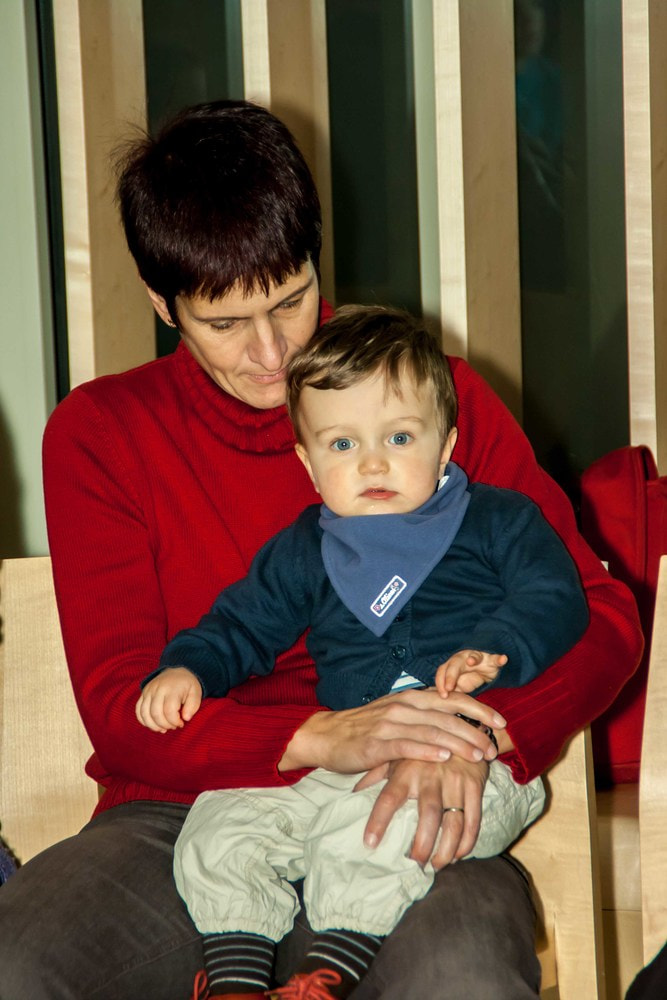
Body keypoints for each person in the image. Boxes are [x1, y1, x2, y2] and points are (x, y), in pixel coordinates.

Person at [0, 99, 642, 1000]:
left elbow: (601, 615)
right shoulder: (101, 434)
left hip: (416, 787)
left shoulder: (433, 401)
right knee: (17, 959)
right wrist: (314, 736)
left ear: (314, 259)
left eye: (291, 300)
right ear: (160, 302)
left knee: (459, 975)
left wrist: (472, 740)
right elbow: (120, 703)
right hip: (185, 817)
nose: (271, 354)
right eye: (225, 323)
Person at [137, 305, 588, 999]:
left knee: (378, 829)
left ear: (445, 445)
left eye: (399, 437)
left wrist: (496, 650)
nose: (372, 462)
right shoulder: (305, 548)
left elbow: (554, 595)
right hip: (343, 763)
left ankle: (326, 973)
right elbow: (242, 624)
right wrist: (190, 666)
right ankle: (235, 978)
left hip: (469, 763)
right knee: (220, 823)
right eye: (342, 444)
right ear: (307, 462)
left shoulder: (498, 521)